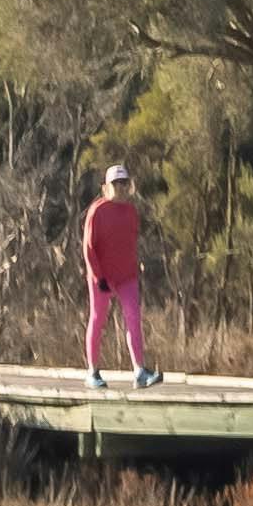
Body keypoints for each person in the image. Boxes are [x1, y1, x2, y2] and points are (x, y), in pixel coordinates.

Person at [78, 159, 152, 382]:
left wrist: (135, 266)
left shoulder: (131, 211)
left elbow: (129, 242)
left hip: (127, 276)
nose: (120, 187)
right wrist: (98, 277)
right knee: (98, 319)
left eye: (123, 183)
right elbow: (89, 248)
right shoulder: (97, 211)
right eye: (115, 183)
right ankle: (92, 371)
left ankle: (140, 370)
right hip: (101, 277)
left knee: (133, 318)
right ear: (105, 187)